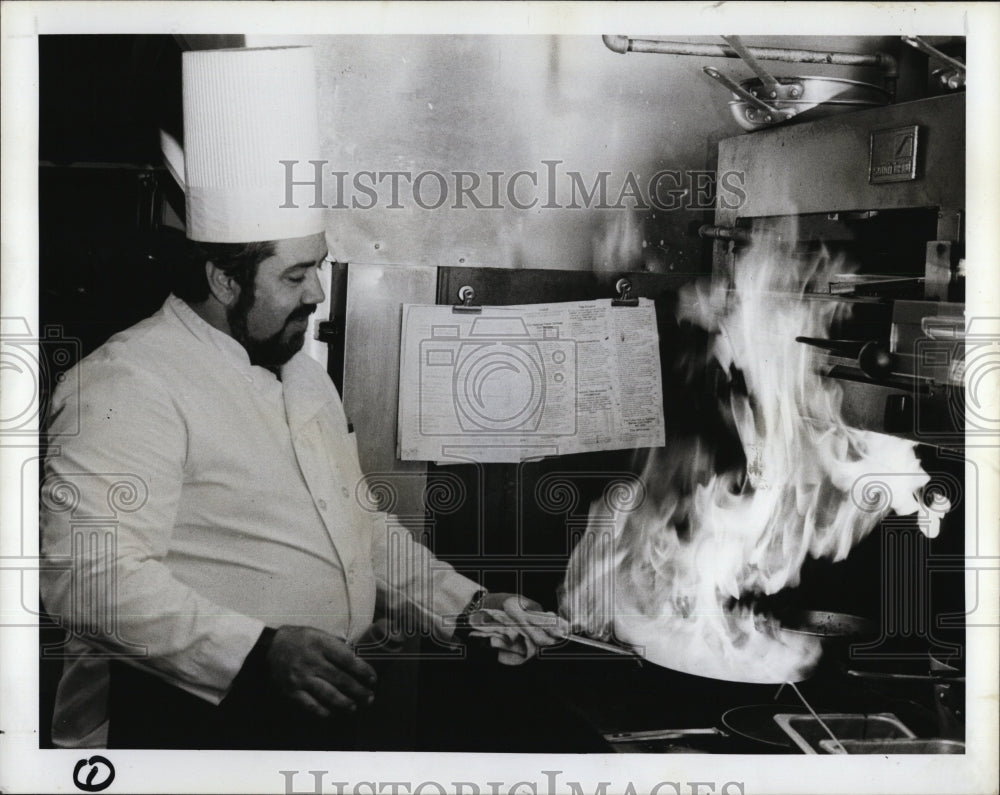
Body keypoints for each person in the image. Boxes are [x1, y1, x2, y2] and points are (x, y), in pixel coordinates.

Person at [39, 46, 565, 750]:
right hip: (183, 723)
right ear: (225, 281)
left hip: (309, 715)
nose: (317, 293)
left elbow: (357, 529)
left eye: (319, 266)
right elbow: (85, 574)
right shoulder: (127, 382)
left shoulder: (300, 371)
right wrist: (258, 649)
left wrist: (467, 606)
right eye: (295, 276)